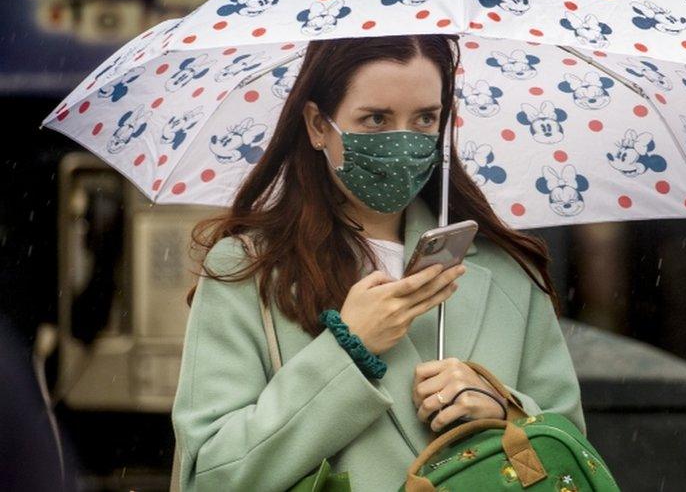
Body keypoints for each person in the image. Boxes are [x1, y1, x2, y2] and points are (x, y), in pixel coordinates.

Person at [171, 33, 585, 491]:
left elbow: (570, 453)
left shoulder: (506, 270)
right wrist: (347, 352)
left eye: (425, 118)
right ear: (317, 125)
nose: (403, 142)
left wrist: (504, 408)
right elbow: (212, 474)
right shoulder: (248, 270)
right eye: (375, 120)